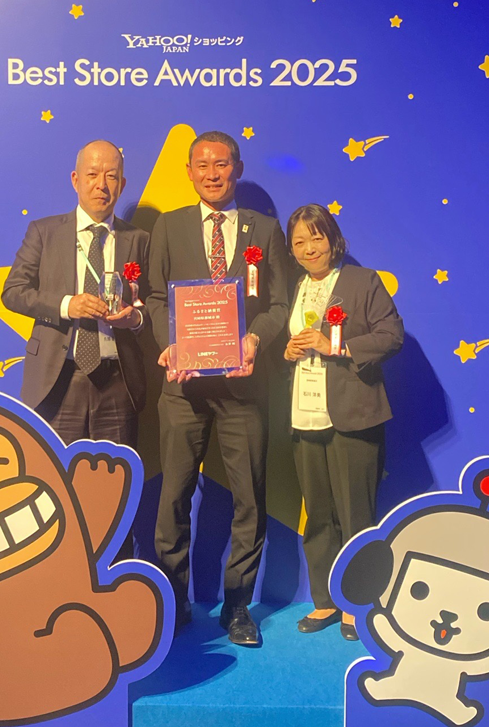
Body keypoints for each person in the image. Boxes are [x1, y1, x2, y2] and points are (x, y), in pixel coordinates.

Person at [146, 130, 291, 646]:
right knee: (174, 497)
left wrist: (255, 340)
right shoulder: (169, 226)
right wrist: (169, 343)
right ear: (189, 172)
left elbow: (279, 303)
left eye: (222, 164)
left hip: (243, 389)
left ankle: (237, 606)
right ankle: (173, 603)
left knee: (249, 498)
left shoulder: (264, 230)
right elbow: (155, 297)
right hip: (183, 391)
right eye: (202, 165)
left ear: (238, 168)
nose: (212, 174)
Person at [2, 140, 149, 557]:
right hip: (59, 380)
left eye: (111, 176)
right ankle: (56, 578)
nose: (102, 185)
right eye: (93, 175)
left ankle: (115, 580)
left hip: (117, 383)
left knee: (116, 495)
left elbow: (154, 304)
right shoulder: (44, 232)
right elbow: (13, 292)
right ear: (75, 179)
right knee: (53, 491)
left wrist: (135, 319)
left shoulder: (138, 239)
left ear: (122, 184)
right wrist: (67, 305)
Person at [282, 203, 403, 639]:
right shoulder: (296, 287)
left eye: (316, 237)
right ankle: (325, 601)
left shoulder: (362, 281)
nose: (309, 248)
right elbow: (293, 344)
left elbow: (392, 336)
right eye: (299, 242)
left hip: (352, 414)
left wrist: (337, 346)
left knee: (356, 515)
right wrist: (288, 352)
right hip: (305, 413)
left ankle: (358, 602)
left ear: (333, 239)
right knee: (317, 515)